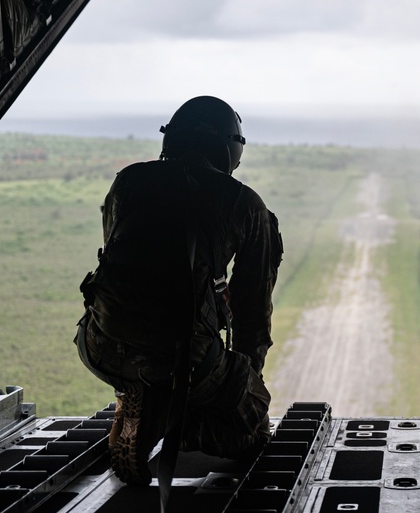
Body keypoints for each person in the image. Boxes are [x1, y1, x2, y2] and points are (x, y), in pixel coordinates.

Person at [74, 96, 283, 486]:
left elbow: (124, 274)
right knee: (252, 425)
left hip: (97, 344)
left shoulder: (129, 181)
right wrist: (245, 384)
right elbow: (253, 309)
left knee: (153, 365)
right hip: (183, 360)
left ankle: (137, 397)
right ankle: (164, 418)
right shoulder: (245, 204)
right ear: (230, 149)